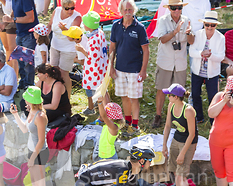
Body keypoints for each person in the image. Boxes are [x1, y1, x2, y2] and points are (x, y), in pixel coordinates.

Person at [9, 87, 49, 186]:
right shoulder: (31, 112)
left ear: (31, 100)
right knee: (34, 183)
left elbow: (41, 141)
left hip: (39, 153)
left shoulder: (40, 116)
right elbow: (25, 129)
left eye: (26, 98)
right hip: (31, 151)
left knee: (40, 185)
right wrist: (15, 115)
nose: (24, 100)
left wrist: (32, 158)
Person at [109, 0, 149, 134]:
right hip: (119, 69)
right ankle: (127, 122)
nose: (128, 12)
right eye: (125, 10)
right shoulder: (115, 26)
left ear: (134, 11)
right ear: (121, 11)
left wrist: (143, 70)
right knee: (124, 97)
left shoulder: (139, 27)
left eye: (130, 10)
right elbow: (112, 48)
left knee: (134, 98)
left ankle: (135, 125)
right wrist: (111, 67)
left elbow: (146, 50)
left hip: (135, 70)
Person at [153, 0, 194, 128]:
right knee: (161, 89)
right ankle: (158, 115)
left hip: (180, 62)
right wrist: (175, 32)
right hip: (165, 60)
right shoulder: (163, 20)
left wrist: (189, 33)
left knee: (179, 92)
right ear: (169, 8)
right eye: (173, 7)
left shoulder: (187, 20)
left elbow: (191, 42)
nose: (176, 10)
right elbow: (163, 39)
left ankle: (177, 116)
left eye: (179, 7)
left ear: (182, 8)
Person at [161, 83, 197, 186]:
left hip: (188, 143)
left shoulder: (188, 111)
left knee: (182, 176)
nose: (167, 97)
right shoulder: (171, 106)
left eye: (169, 95)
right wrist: (164, 144)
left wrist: (183, 153)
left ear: (176, 97)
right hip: (176, 140)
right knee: (176, 173)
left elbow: (192, 134)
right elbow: (168, 125)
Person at [189, 10, 225, 123]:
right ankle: (199, 117)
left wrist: (210, 56)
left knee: (213, 97)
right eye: (207, 24)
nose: (209, 27)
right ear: (203, 24)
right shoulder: (197, 34)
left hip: (212, 72)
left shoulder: (221, 38)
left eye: (212, 25)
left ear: (216, 26)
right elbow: (191, 52)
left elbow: (221, 56)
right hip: (197, 70)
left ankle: (213, 120)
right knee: (195, 94)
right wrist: (201, 53)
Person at [47, 0, 82, 98]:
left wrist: (64, 30)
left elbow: (72, 38)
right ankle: (54, 95)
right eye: (67, 8)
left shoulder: (77, 17)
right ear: (62, 6)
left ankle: (66, 99)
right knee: (53, 71)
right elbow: (50, 25)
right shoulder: (56, 10)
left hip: (68, 49)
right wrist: (44, 34)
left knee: (63, 73)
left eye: (72, 8)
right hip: (55, 46)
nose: (70, 10)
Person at [2, 0, 39, 90]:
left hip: (29, 34)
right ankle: (23, 84)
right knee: (21, 62)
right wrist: (4, 23)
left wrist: (12, 20)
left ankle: (29, 86)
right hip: (20, 34)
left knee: (28, 63)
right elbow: (15, 12)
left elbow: (30, 18)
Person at [76, 11, 107, 117]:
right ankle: (102, 110)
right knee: (101, 90)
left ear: (88, 25)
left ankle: (99, 112)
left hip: (93, 70)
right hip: (102, 68)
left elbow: (91, 56)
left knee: (95, 91)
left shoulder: (92, 40)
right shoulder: (100, 33)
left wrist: (81, 50)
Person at [0, 0, 18, 76]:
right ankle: (8, 71)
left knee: (12, 49)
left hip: (10, 21)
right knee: (6, 48)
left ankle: (14, 73)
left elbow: (9, 9)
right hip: (1, 20)